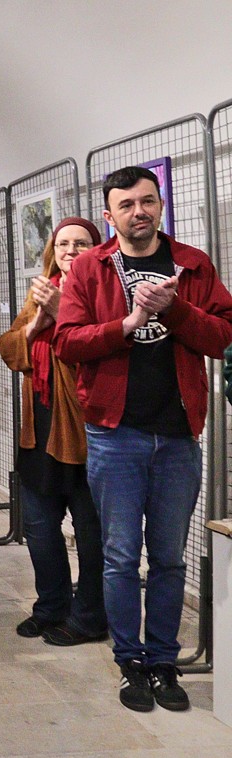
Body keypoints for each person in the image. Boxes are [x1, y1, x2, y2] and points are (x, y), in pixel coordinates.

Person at [56, 165, 232, 713]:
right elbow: (67, 342)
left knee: (171, 559)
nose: (140, 211)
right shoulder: (90, 268)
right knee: (119, 556)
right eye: (127, 204)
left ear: (160, 205)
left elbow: (223, 336)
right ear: (109, 215)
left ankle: (163, 661)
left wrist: (174, 310)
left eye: (148, 201)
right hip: (115, 435)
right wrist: (128, 324)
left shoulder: (193, 265)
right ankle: (129, 661)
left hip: (178, 436)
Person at [0, 217, 107, 646]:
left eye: (81, 243)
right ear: (52, 250)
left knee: (92, 534)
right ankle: (51, 607)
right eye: (63, 243)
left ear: (97, 250)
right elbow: (10, 349)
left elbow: (105, 351)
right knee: (40, 528)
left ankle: (90, 615)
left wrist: (63, 313)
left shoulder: (106, 295)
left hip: (88, 435)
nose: (71, 250)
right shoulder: (40, 291)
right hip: (39, 431)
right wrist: (37, 324)